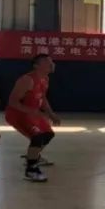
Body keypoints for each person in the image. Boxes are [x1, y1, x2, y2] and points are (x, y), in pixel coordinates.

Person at [6, 54, 61, 183]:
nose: (52, 64)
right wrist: (31, 111)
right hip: (18, 114)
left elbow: (43, 98)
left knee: (48, 135)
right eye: (47, 62)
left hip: (32, 114)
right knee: (37, 138)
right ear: (36, 66)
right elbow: (12, 102)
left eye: (51, 62)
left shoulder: (45, 79)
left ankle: (33, 156)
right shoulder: (27, 80)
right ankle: (31, 170)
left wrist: (51, 114)